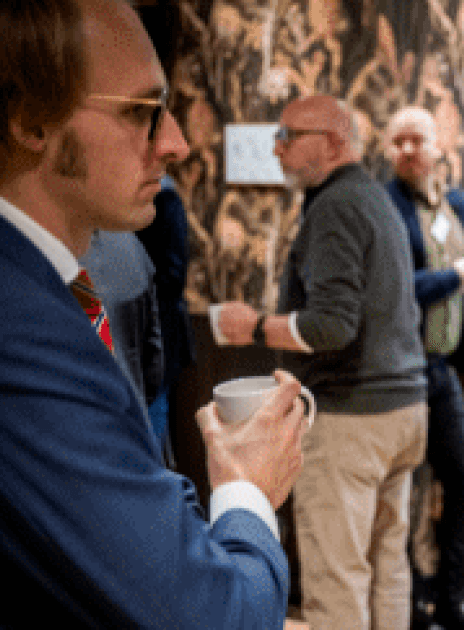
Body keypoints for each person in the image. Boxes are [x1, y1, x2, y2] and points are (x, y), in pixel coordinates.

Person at [0, 0, 309, 627]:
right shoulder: (24, 326)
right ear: (30, 120)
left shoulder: (56, 286)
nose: (176, 143)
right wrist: (247, 489)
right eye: (141, 112)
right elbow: (215, 616)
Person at [214, 94, 428, 629]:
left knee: (337, 584)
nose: (277, 148)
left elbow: (332, 326)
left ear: (332, 142)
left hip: (351, 419)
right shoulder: (375, 198)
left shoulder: (335, 206)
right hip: (403, 411)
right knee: (388, 571)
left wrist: (254, 327)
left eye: (288, 135)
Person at [382, 105, 464, 630]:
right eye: (398, 141)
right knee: (403, 492)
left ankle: (451, 600)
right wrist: (453, 279)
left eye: (418, 140)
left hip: (443, 370)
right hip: (400, 371)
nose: (408, 150)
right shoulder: (386, 205)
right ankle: (410, 606)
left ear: (437, 148)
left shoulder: (454, 204)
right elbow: (397, 289)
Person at [137, 173, 196, 461]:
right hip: (142, 328)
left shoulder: (165, 199)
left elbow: (174, 274)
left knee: (153, 421)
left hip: (158, 329)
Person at [79, 229, 164, 410]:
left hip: (87, 412)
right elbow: (154, 359)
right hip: (134, 407)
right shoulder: (130, 243)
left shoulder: (50, 257)